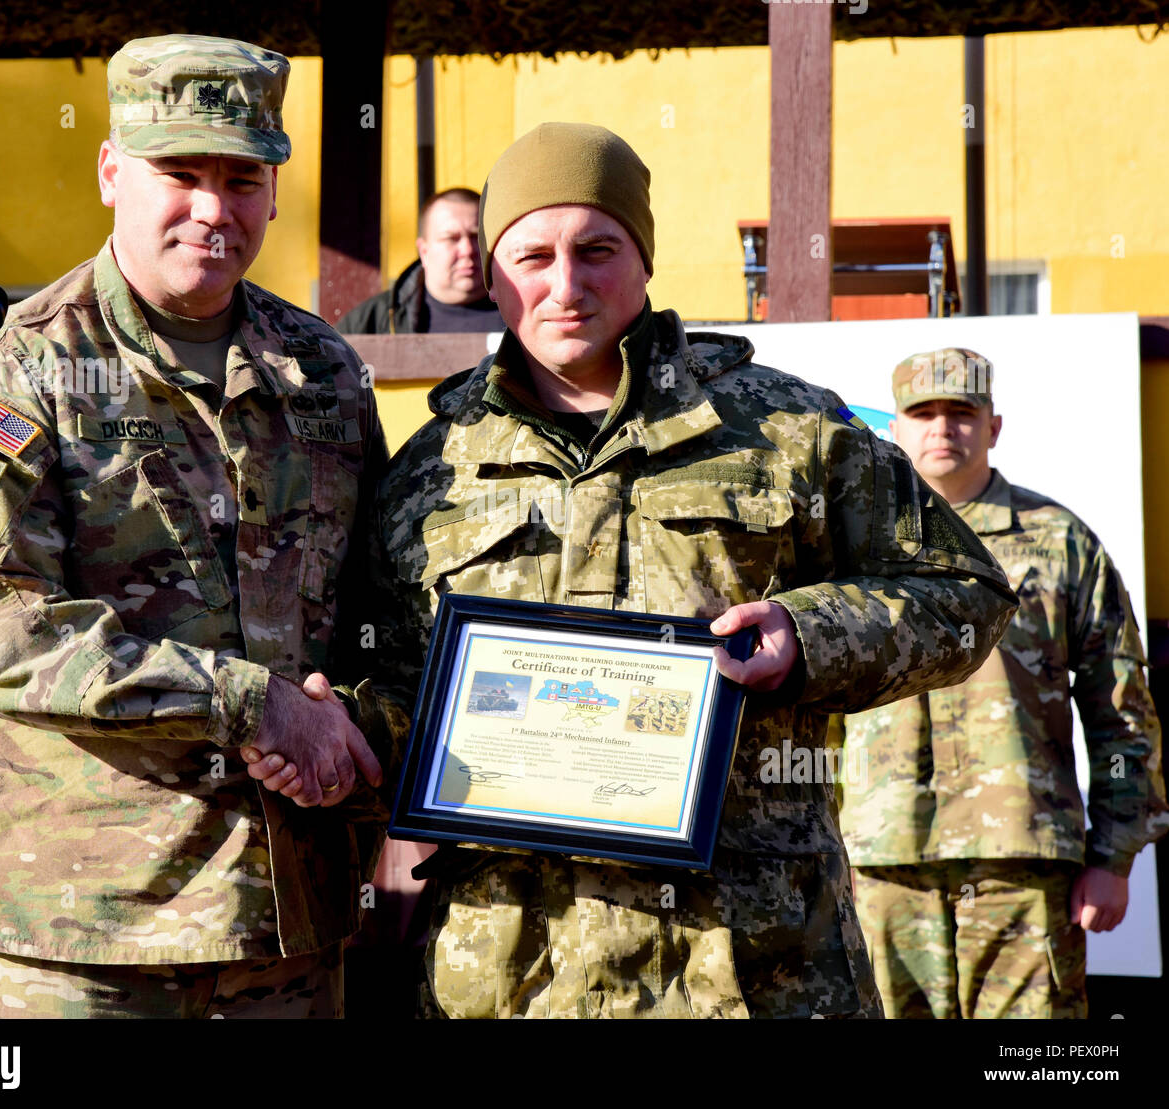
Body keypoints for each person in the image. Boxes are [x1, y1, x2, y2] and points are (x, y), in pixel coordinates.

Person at [252, 123, 1019, 1018]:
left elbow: (966, 594)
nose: (565, 285)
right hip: (508, 975)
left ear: (645, 259)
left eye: (598, 249)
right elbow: (394, 680)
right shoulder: (432, 467)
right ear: (493, 275)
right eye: (531, 255)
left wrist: (806, 635)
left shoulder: (787, 431)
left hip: (751, 967)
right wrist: (346, 726)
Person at [0, 34, 396, 1019]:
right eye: (180, 173)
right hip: (70, 952)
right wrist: (254, 703)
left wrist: (358, 723)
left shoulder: (324, 374)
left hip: (283, 938)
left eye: (242, 177)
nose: (214, 209)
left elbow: (381, 605)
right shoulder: (15, 372)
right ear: (111, 170)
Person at [837, 348, 1167, 1019]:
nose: (942, 428)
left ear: (994, 425)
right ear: (893, 428)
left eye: (961, 411)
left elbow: (1121, 705)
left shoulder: (1061, 542)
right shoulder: (848, 547)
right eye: (923, 412)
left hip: (1022, 863)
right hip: (879, 861)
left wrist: (1114, 855)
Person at [336, 188, 504, 334]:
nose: (467, 250)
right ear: (424, 251)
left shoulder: (522, 312)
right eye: (451, 239)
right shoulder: (372, 323)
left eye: (476, 237)